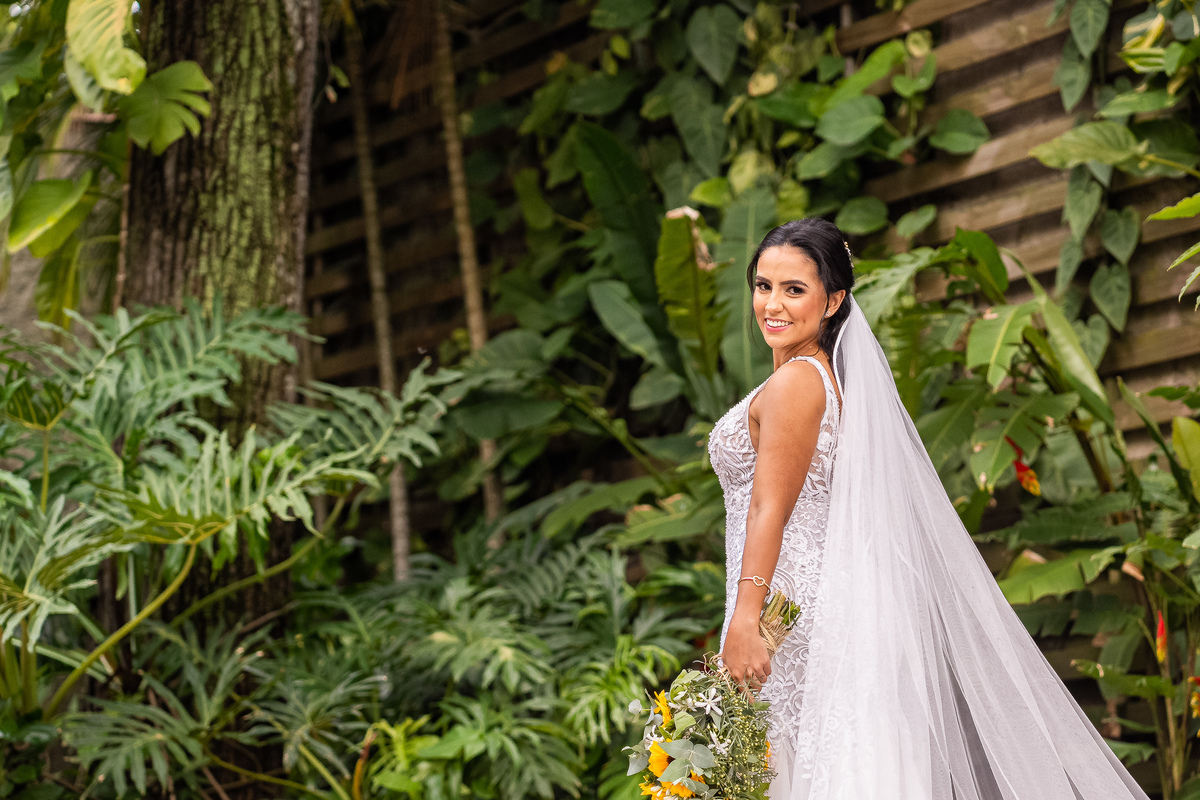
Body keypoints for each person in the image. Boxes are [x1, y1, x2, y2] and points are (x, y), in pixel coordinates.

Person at [710, 217, 1150, 800]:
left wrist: (745, 617)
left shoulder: (796, 383)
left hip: (791, 619)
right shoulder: (815, 379)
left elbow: (770, 507)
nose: (773, 304)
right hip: (796, 612)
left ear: (835, 299)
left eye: (795, 290)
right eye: (764, 286)